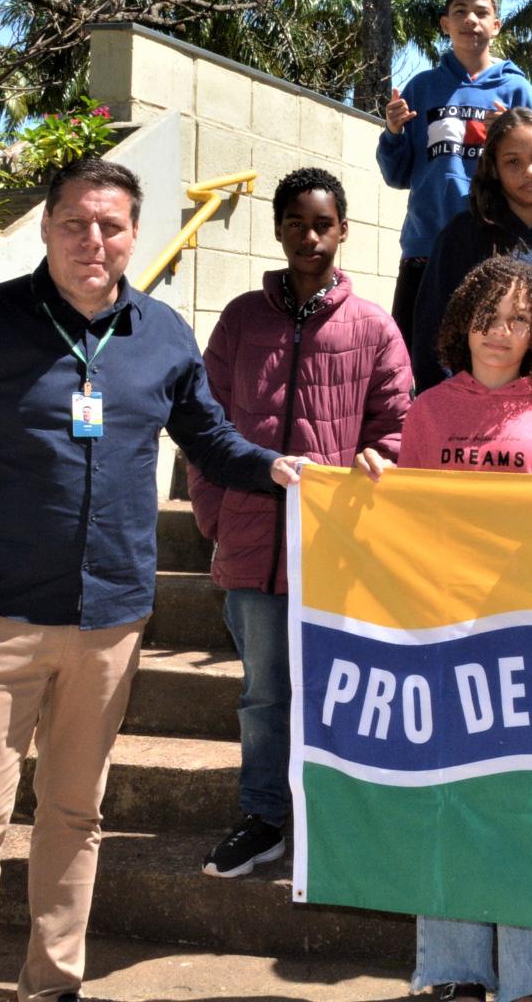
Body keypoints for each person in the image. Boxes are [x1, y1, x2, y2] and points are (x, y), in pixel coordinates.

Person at [0, 156, 314, 1002]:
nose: (92, 239)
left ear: (133, 236)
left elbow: (211, 441)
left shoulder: (162, 335)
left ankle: (54, 986)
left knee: (75, 821)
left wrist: (280, 470)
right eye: (75, 222)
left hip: (110, 621)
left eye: (110, 225)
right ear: (45, 227)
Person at [187, 167, 410, 879]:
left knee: (341, 688)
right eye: (295, 223)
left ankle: (337, 818)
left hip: (337, 548)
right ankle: (264, 818)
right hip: (253, 542)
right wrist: (215, 513)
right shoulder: (239, 321)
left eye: (323, 223)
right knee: (263, 693)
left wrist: (378, 464)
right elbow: (202, 422)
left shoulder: (373, 327)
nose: (309, 236)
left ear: (343, 230)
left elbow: (400, 426)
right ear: (278, 228)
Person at [396, 257, 532, 1002]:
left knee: (524, 814)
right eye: (489, 316)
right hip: (447, 635)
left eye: (519, 320)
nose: (501, 333)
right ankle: (451, 971)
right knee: (449, 803)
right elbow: (405, 523)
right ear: (463, 321)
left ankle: (529, 981)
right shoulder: (427, 410)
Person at [378, 0, 532, 344]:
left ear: (496, 26)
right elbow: (397, 175)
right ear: (445, 24)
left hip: (494, 249)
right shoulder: (421, 87)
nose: (471, 20)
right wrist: (394, 133)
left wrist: (510, 133)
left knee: (488, 355)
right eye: (460, 11)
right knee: (410, 356)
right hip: (425, 250)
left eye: (482, 12)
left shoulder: (517, 89)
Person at [409, 108, 532, 392]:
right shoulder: (463, 236)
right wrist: (443, 408)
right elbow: (430, 335)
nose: (530, 171)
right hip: (473, 420)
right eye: (513, 161)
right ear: (494, 169)